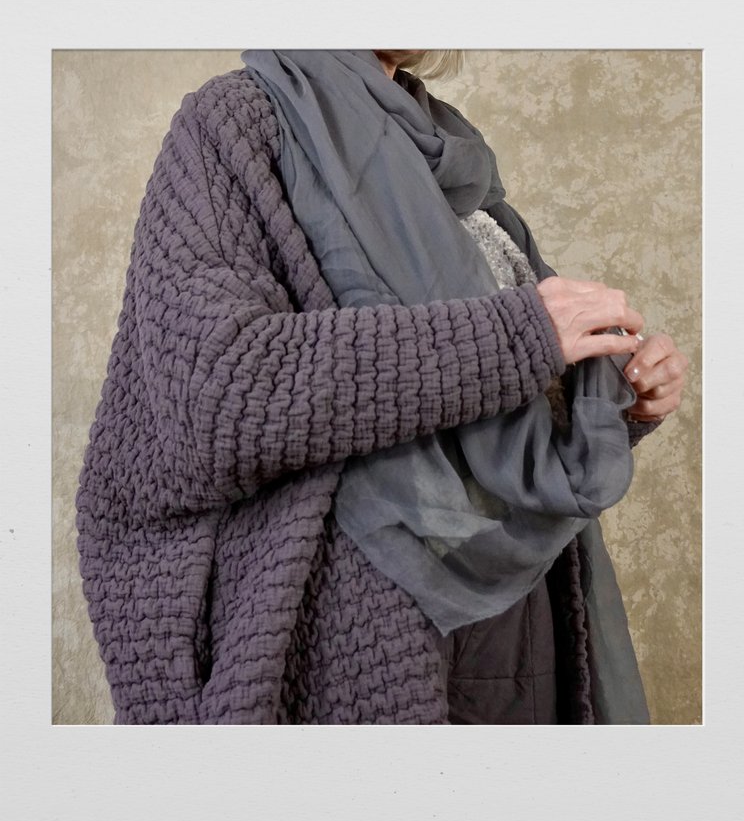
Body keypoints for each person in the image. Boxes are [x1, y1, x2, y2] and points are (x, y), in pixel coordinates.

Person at [75, 49, 688, 725]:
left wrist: (613, 399)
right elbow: (217, 394)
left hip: (521, 614)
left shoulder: (453, 156)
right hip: (361, 631)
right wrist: (520, 333)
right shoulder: (237, 122)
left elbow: (502, 395)